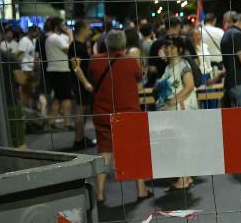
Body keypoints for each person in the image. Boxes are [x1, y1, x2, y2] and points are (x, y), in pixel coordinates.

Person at [88, 29, 150, 203]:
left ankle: (100, 192)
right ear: (123, 44)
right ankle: (141, 189)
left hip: (102, 113)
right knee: (134, 150)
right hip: (128, 113)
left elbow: (92, 80)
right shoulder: (130, 62)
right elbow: (139, 81)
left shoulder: (94, 61)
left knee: (104, 151)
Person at [154, 37, 198, 191]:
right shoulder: (168, 67)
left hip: (182, 110)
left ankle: (184, 178)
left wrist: (175, 100)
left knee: (181, 143)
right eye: (166, 46)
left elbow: (190, 85)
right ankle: (185, 176)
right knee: (179, 143)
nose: (168, 49)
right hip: (172, 111)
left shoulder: (183, 65)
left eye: (172, 47)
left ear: (179, 49)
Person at [68, 20, 95, 149]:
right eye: (88, 28)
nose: (90, 31)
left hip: (80, 82)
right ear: (82, 30)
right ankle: (78, 140)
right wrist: (85, 83)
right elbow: (76, 67)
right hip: (79, 83)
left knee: (83, 110)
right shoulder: (76, 47)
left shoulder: (80, 45)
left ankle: (80, 138)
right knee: (80, 110)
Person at [43, 17, 74, 131]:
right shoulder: (54, 38)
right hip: (60, 71)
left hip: (57, 70)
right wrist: (70, 34)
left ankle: (51, 122)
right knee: (66, 98)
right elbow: (70, 49)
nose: (66, 28)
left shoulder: (53, 37)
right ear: (57, 27)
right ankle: (67, 123)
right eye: (63, 25)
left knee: (58, 98)